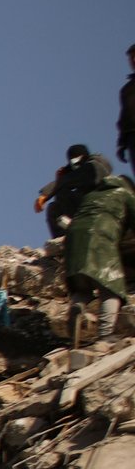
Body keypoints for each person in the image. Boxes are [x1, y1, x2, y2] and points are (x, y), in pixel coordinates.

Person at [57, 145, 135, 343]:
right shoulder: (124, 194)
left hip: (74, 243)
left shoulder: (90, 196)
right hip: (100, 241)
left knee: (83, 289)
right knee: (111, 289)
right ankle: (105, 335)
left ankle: (77, 306)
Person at [34, 142, 112, 239]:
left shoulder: (95, 166)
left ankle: (81, 229)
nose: (75, 165)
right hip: (86, 209)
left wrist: (46, 194)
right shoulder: (79, 170)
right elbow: (73, 176)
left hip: (101, 210)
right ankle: (63, 238)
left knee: (64, 192)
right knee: (54, 207)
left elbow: (75, 177)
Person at [117, 44, 135, 167]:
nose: (133, 60)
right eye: (131, 58)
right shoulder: (126, 89)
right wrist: (122, 143)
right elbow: (125, 117)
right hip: (132, 136)